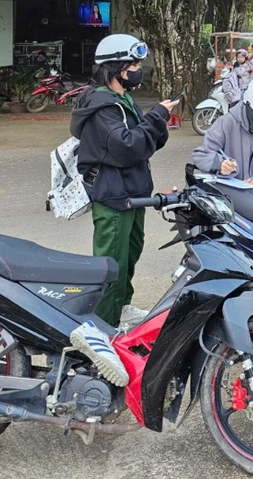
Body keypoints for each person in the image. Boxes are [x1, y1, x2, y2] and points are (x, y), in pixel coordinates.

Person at [67, 34, 180, 386]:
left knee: (130, 255)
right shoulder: (102, 106)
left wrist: (158, 121)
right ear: (115, 68)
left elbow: (143, 142)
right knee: (111, 264)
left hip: (132, 194)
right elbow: (128, 146)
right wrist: (158, 114)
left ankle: (121, 309)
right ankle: (100, 331)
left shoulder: (121, 98)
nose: (136, 72)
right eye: (131, 66)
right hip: (114, 197)